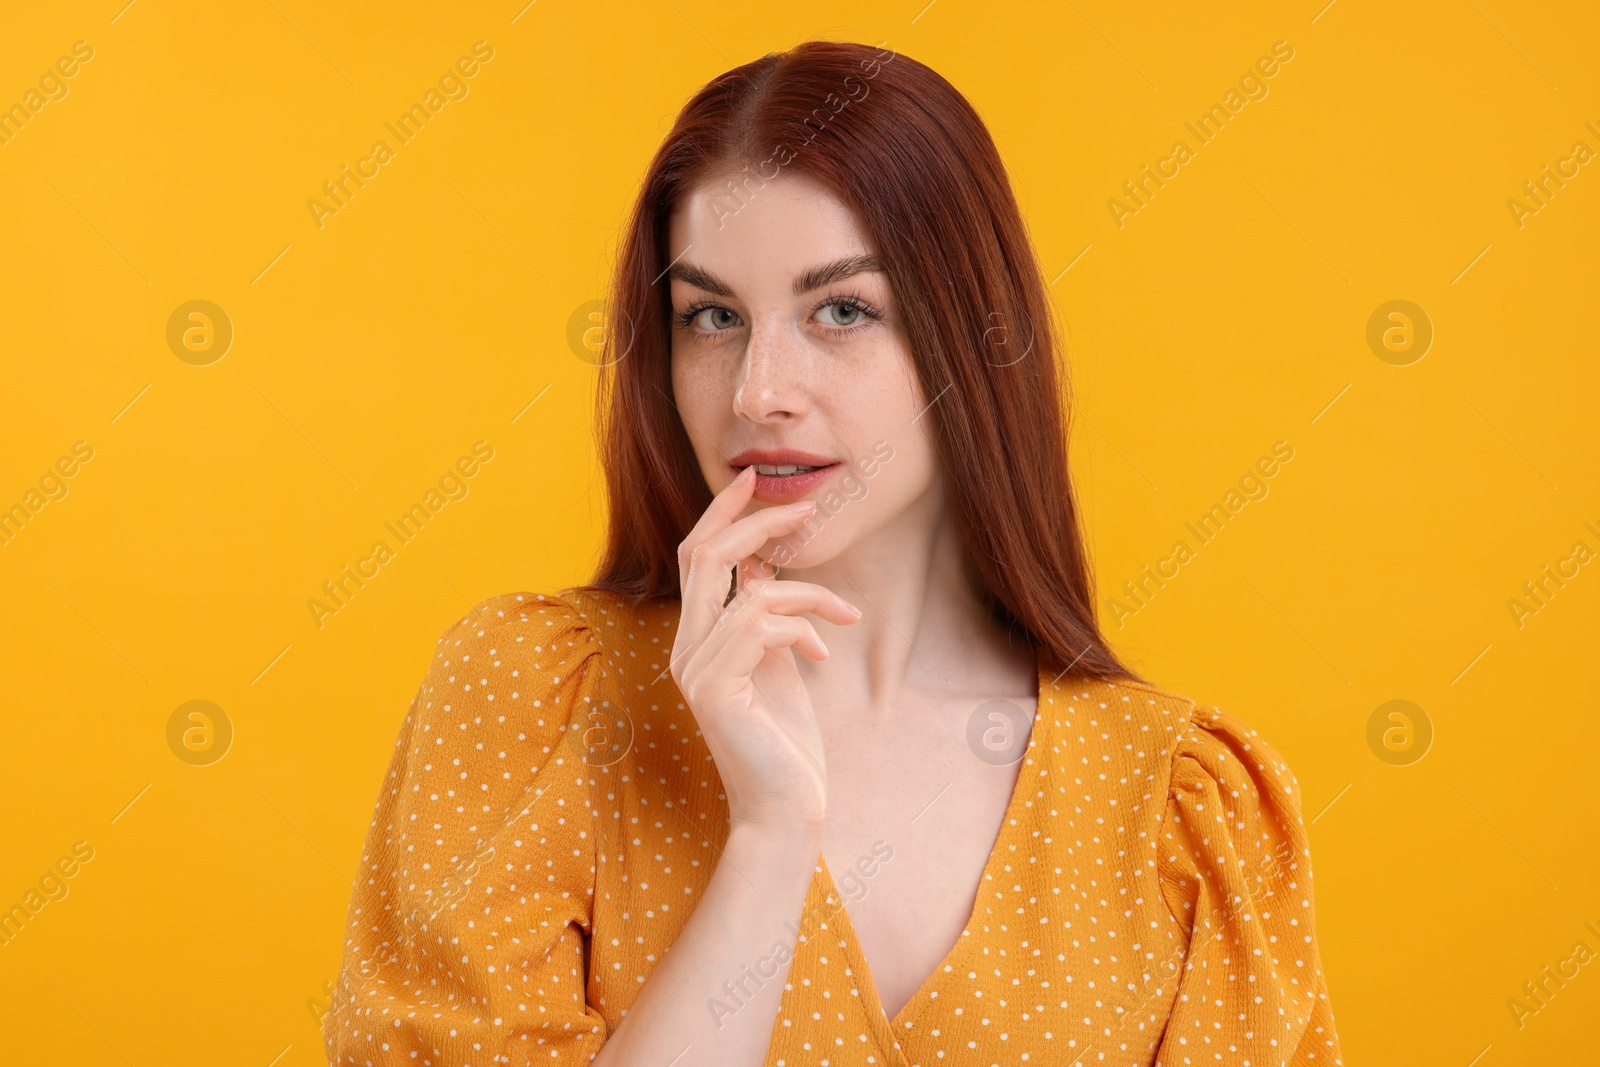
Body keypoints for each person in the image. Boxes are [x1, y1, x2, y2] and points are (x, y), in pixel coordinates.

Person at [323, 39, 1343, 1067]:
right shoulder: (537, 700)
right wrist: (767, 840)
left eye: (842, 309)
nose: (758, 388)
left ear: (972, 340)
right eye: (712, 316)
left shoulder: (1180, 807)